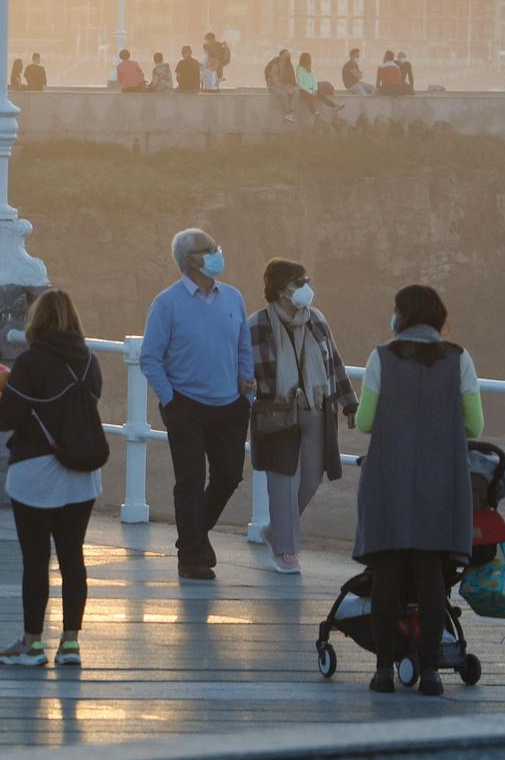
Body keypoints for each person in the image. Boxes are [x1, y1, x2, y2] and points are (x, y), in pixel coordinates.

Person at [352, 284, 482, 696]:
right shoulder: (459, 359)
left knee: (387, 574)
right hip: (440, 481)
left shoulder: (381, 358)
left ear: (402, 316)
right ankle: (430, 673)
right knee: (430, 577)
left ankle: (382, 671)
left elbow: (365, 422)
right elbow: (475, 425)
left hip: (389, 477)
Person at [0, 290, 101, 669]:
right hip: (82, 475)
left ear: (36, 321)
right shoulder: (89, 362)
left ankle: (32, 644)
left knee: (36, 562)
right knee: (73, 558)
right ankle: (70, 644)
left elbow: (9, 417)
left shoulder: (30, 362)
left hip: (35, 473)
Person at [140, 228, 255, 581]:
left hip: (230, 406)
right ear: (192, 259)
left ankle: (194, 534)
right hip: (185, 405)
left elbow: (243, 348)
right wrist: (171, 399)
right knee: (189, 480)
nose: (218, 252)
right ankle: (190, 556)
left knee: (229, 474)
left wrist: (246, 389)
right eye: (210, 249)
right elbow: (150, 357)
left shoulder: (233, 297)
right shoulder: (167, 303)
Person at [248, 259, 356, 574]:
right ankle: (286, 551)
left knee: (310, 479)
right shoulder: (257, 325)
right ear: (281, 290)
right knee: (282, 480)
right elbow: (243, 370)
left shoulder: (316, 320)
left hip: (317, 409)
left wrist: (349, 403)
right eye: (299, 282)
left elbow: (335, 363)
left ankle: (275, 531)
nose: (306, 288)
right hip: (276, 412)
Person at [294, 51, 342, 117]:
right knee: (309, 97)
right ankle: (313, 111)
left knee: (321, 96)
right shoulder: (299, 69)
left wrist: (315, 89)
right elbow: (300, 84)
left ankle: (334, 106)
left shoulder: (309, 69)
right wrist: (311, 91)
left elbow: (314, 80)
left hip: (312, 89)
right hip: (303, 90)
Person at [264, 48, 298, 118]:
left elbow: (290, 78)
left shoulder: (288, 65)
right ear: (281, 56)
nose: (288, 56)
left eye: (289, 55)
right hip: (274, 87)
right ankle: (286, 113)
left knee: (296, 93)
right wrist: (286, 89)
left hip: (283, 85)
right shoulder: (275, 65)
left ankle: (291, 111)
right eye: (287, 55)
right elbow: (275, 82)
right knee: (284, 94)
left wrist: (289, 86)